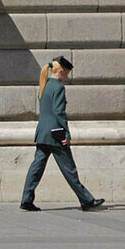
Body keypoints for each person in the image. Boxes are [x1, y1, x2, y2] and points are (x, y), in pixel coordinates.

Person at [19, 56, 105, 212]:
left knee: (36, 167)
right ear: (60, 72)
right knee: (69, 168)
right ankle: (86, 200)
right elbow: (59, 112)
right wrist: (66, 134)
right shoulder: (58, 87)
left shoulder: (44, 85)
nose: (66, 78)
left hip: (43, 132)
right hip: (56, 134)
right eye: (66, 74)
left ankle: (26, 199)